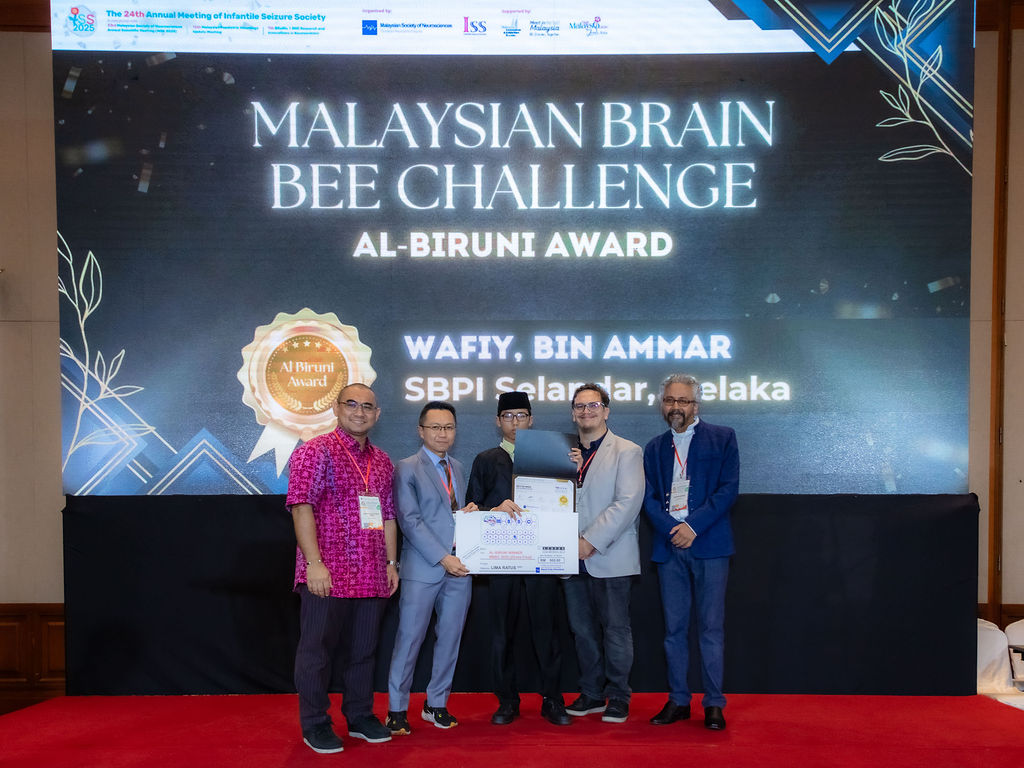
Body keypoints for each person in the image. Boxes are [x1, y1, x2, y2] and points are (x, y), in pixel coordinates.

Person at [286, 383, 399, 754]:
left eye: (367, 406)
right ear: (336, 408)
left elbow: (388, 516)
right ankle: (315, 723)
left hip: (372, 573)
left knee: (363, 651)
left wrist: (390, 563)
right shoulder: (314, 451)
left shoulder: (382, 460)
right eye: (351, 404)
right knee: (316, 653)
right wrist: (313, 564)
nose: (359, 412)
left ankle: (360, 715)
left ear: (377, 414)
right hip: (328, 573)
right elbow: (300, 507)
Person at [466, 391, 572, 727]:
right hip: (503, 558)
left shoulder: (550, 457)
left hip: (543, 558)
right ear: (498, 421)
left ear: (531, 419)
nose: (515, 422)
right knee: (502, 633)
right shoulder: (485, 460)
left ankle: (552, 699)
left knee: (547, 632)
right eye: (508, 416)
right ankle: (507, 701)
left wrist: (575, 468)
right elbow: (471, 508)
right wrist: (493, 509)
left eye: (521, 415)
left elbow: (568, 500)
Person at [643, 374, 739, 731]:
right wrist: (673, 529)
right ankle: (679, 700)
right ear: (662, 404)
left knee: (711, 629)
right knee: (674, 630)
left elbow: (728, 490)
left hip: (709, 545)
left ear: (695, 405)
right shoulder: (654, 447)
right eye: (670, 400)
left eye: (683, 401)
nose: (676, 407)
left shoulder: (723, 438)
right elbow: (648, 498)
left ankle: (713, 703)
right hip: (670, 548)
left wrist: (692, 527)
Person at [386, 401, 477, 734]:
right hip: (423, 568)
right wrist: (442, 557)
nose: (443, 433)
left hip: (460, 567)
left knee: (450, 639)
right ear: (421, 431)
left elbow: (447, 515)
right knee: (409, 639)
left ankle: (436, 703)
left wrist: (466, 515)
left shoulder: (459, 467)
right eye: (436, 427)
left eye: (449, 427)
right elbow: (409, 520)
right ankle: (397, 709)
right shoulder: (407, 468)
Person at [562, 383, 644, 724]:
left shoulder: (627, 451)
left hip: (610, 555)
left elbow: (627, 503)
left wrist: (590, 542)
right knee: (582, 631)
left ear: (606, 411)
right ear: (573, 413)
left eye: (593, 405)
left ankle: (619, 696)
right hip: (568, 556)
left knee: (615, 630)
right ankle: (592, 692)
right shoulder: (563, 453)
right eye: (580, 406)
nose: (586, 411)